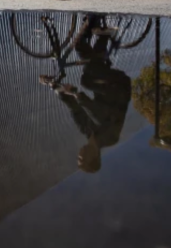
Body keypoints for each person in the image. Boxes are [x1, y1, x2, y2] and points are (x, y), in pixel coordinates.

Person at [41, 15, 132, 174]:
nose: (80, 154)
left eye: (79, 158)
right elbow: (98, 113)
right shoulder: (110, 138)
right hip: (118, 86)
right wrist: (77, 93)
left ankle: (100, 29)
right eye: (83, 158)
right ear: (95, 156)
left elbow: (74, 108)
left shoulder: (87, 131)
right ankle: (96, 26)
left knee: (90, 61)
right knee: (87, 79)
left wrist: (53, 85)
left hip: (104, 88)